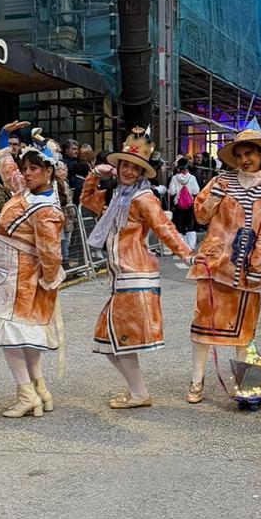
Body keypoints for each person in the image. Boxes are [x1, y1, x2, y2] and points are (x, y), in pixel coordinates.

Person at [80, 129, 194, 407]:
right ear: (117, 166)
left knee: (116, 340)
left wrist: (189, 256)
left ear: (142, 172)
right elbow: (86, 199)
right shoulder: (115, 196)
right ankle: (138, 392)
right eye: (125, 165)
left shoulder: (143, 198)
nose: (129, 171)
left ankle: (139, 393)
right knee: (107, 340)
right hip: (122, 276)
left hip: (135, 274)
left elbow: (164, 228)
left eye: (135, 167)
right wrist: (94, 173)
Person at [0, 133, 65, 417]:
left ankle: (27, 395)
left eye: (34, 168)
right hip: (8, 273)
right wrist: (1, 138)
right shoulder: (28, 190)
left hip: (21, 278)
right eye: (26, 168)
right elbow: (10, 172)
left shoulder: (46, 209)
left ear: (49, 171)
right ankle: (39, 389)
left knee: (12, 335)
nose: (27, 173)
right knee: (22, 335)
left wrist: (49, 279)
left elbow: (51, 252)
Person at [185, 130, 261, 405]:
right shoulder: (221, 181)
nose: (243, 160)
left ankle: (245, 384)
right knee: (203, 324)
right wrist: (213, 197)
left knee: (244, 329)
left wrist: (256, 264)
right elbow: (201, 217)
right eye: (238, 155)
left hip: (247, 269)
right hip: (213, 264)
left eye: (248, 153)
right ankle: (196, 380)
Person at [168, 157, 200, 250]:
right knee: (190, 225)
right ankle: (190, 246)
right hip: (189, 205)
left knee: (179, 226)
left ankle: (180, 247)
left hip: (178, 205)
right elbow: (196, 191)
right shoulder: (192, 178)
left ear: (178, 168)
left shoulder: (174, 178)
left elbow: (171, 192)